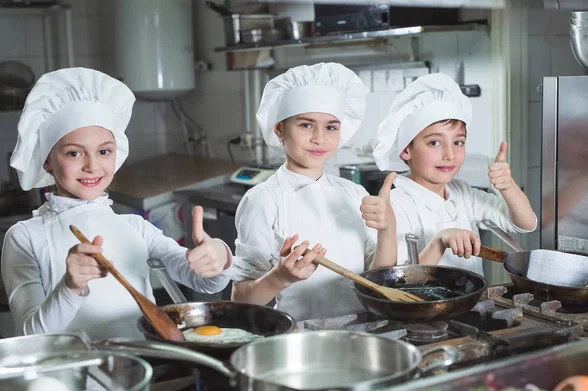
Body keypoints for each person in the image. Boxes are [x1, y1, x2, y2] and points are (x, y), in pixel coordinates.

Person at [1, 68, 233, 339]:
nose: (92, 166)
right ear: (47, 160)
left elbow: (203, 282)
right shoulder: (24, 237)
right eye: (74, 153)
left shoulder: (137, 228)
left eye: (104, 151)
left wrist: (219, 257)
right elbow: (29, 335)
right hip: (71, 377)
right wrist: (70, 286)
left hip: (142, 370)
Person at [230, 62, 397, 321]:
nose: (320, 138)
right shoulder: (263, 200)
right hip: (299, 338)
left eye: (331, 127)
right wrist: (280, 277)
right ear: (280, 129)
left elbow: (379, 280)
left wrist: (388, 229)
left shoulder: (353, 193)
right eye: (306, 125)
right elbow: (241, 300)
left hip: (365, 330)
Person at [373, 73, 537, 274]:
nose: (449, 155)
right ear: (406, 149)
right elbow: (398, 282)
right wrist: (439, 242)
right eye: (435, 142)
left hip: (472, 304)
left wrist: (507, 186)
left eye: (458, 142)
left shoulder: (462, 193)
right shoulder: (395, 205)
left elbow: (526, 223)